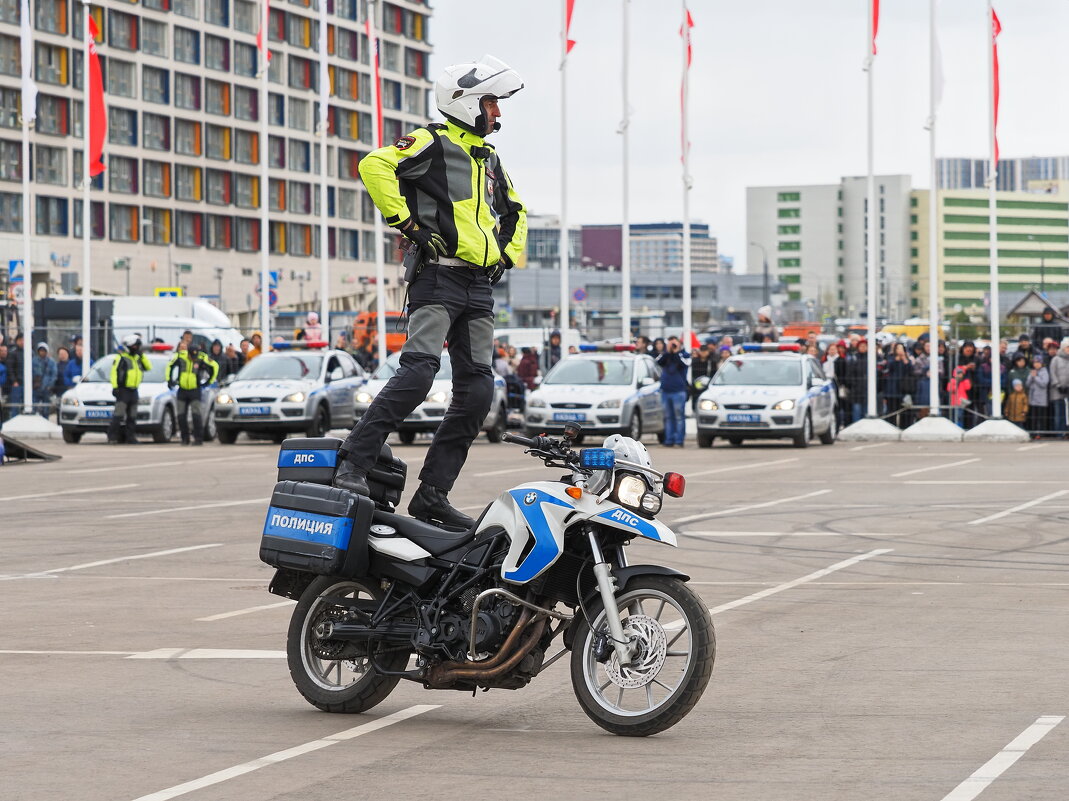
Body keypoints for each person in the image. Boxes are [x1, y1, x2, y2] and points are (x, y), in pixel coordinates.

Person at [332, 54, 527, 531]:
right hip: (437, 278)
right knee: (419, 374)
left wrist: (504, 255)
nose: (497, 113)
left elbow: (517, 211)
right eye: (491, 103)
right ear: (463, 103)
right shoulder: (430, 142)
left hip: (478, 285)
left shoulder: (490, 158)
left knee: (479, 391)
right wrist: (406, 223)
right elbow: (374, 165)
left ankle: (432, 496)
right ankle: (352, 464)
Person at [167, 341, 218, 446]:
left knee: (196, 415)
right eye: (192, 355)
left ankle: (198, 439)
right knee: (181, 415)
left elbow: (215, 366)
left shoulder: (202, 357)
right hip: (182, 390)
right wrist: (169, 380)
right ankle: (184, 439)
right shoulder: (180, 356)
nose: (193, 358)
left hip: (195, 390)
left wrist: (209, 381)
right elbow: (169, 366)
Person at [108, 334, 152, 444]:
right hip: (123, 390)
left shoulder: (138, 358)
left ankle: (130, 437)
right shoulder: (121, 358)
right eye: (135, 346)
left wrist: (141, 355)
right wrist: (115, 387)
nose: (136, 348)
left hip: (134, 390)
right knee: (118, 414)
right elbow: (113, 373)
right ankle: (112, 437)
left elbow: (148, 367)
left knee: (132, 416)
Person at [657, 336, 690, 447]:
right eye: (670, 343)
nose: (672, 345)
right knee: (668, 417)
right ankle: (669, 440)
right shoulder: (666, 356)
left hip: (678, 391)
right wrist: (668, 351)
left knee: (679, 417)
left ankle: (679, 440)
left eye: (674, 343)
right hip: (666, 391)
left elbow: (683, 364)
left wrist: (676, 352)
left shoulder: (685, 355)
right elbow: (659, 362)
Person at [1048, 337, 1069, 433]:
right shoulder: (1056, 359)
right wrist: (1058, 385)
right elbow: (1053, 373)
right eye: (1067, 347)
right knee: (1059, 413)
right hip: (1057, 391)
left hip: (1067, 391)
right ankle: (1059, 433)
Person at [31, 343, 57, 418]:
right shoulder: (34, 361)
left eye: (44, 350)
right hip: (36, 388)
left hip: (46, 388)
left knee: (46, 409)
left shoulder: (51, 362)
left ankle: (45, 421)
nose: (42, 352)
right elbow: (31, 372)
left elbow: (54, 375)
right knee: (34, 407)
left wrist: (50, 386)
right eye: (41, 350)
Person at [1026, 355, 1050, 435]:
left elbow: (1044, 383)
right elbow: (1027, 384)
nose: (1036, 364)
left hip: (1041, 400)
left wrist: (1035, 377)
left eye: (1038, 362)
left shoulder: (1044, 371)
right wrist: (1031, 377)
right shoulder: (1033, 371)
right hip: (1032, 400)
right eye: (1035, 362)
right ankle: (1034, 433)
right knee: (1033, 418)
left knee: (1041, 418)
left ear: (1041, 363)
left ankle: (1041, 433)